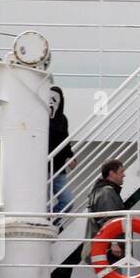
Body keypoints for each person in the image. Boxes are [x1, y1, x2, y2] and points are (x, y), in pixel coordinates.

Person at [80, 159, 127, 278]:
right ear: (111, 173)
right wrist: (114, 243)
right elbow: (108, 219)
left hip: (98, 246)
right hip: (107, 249)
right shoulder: (107, 192)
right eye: (121, 172)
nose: (124, 175)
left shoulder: (99, 191)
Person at [47, 86, 76, 217]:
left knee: (67, 201)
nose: (52, 102)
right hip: (43, 169)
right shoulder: (40, 116)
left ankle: (53, 222)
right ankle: (46, 223)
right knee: (43, 203)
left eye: (55, 99)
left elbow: (65, 141)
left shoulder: (62, 119)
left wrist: (70, 156)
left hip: (59, 169)